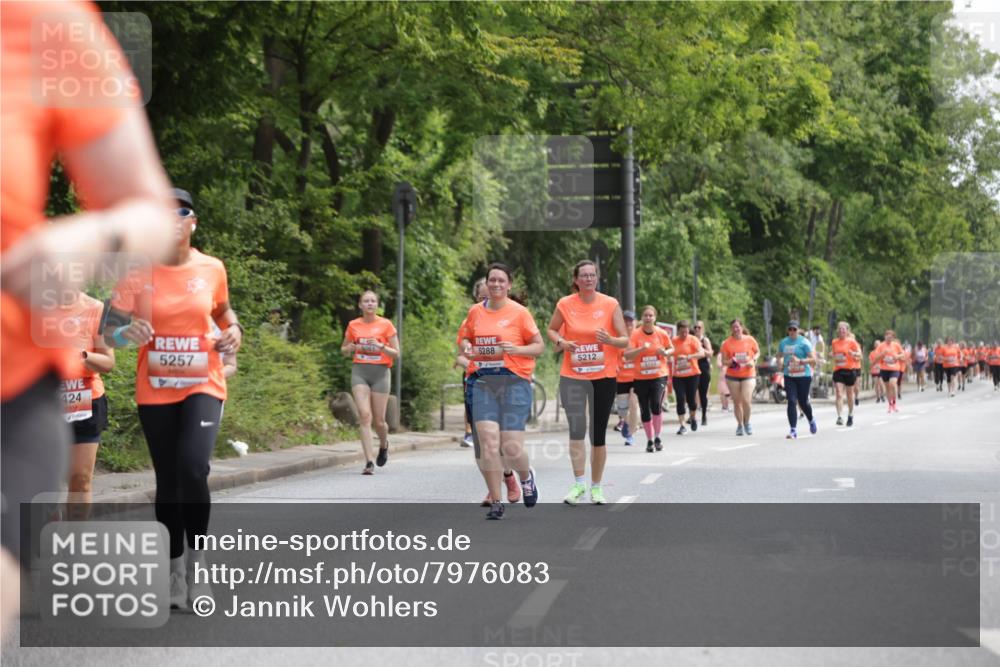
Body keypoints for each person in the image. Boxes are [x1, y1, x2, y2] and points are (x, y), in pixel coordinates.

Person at [1, 0, 176, 634]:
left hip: (12, 389)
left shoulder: (48, 23)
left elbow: (149, 212)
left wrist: (84, 239)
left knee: (82, 481)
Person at [107, 188, 243, 610]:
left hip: (204, 381)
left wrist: (234, 328)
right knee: (168, 480)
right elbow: (108, 328)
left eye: (179, 212)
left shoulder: (212, 267)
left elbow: (221, 311)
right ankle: (174, 572)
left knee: (193, 468)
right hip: (156, 385)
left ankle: (198, 569)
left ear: (192, 221)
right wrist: (123, 334)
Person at [459, 262, 541, 520]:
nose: (495, 284)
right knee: (489, 442)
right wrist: (467, 349)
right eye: (492, 280)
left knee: (512, 447)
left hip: (514, 381)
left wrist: (517, 350)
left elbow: (538, 346)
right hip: (482, 381)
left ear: (509, 284)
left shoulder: (520, 313)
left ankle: (526, 477)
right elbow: (464, 339)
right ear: (487, 282)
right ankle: (496, 501)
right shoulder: (475, 312)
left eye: (501, 280)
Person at [546, 260, 628, 506]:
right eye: (584, 275)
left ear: (597, 278)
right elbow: (551, 330)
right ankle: (578, 483)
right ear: (576, 280)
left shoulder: (610, 304)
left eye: (592, 275)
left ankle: (597, 487)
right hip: (573, 375)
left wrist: (610, 340)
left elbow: (625, 340)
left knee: (598, 434)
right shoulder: (565, 303)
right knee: (576, 429)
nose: (589, 279)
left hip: (603, 377)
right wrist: (562, 342)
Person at [456, 278, 521, 506]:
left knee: (499, 440)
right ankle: (493, 489)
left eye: (489, 295)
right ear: (477, 299)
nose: (487, 299)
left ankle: (507, 477)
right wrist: (466, 358)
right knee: (482, 445)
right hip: (477, 383)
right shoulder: (472, 318)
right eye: (482, 297)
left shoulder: (510, 316)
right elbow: (461, 352)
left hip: (503, 383)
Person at [63, 292, 115, 519]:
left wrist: (82, 355)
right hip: (42, 404)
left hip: (85, 399)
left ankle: (73, 544)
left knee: (81, 480)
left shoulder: (97, 309)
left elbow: (108, 362)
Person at [342, 291, 400, 474]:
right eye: (366, 301)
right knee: (364, 416)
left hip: (381, 373)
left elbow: (396, 353)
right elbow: (343, 349)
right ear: (360, 305)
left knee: (380, 421)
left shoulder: (386, 325)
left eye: (373, 301)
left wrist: (381, 346)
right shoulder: (353, 325)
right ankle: (368, 462)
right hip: (360, 372)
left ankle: (383, 444)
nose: (369, 304)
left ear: (377, 304)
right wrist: (349, 348)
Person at [624, 306, 673, 452]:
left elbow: (672, 349)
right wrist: (641, 349)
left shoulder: (661, 333)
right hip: (640, 377)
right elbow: (627, 355)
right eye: (645, 315)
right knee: (645, 409)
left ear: (655, 318)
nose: (648, 318)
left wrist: (664, 352)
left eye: (651, 315)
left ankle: (658, 437)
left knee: (656, 405)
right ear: (642, 318)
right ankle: (650, 440)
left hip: (659, 375)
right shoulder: (635, 335)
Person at [719, 318, 759, 436]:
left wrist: (753, 360)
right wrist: (729, 361)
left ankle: (747, 422)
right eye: (733, 327)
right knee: (737, 402)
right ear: (731, 329)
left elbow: (757, 352)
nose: (736, 329)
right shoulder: (726, 343)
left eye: (738, 326)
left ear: (741, 327)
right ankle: (740, 425)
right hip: (733, 376)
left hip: (748, 374)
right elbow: (724, 361)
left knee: (746, 400)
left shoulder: (750, 340)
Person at [778, 320, 817, 439]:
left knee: (803, 402)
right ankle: (793, 430)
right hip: (789, 375)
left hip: (803, 376)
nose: (792, 332)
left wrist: (800, 361)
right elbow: (779, 356)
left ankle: (811, 419)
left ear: (798, 330)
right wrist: (780, 363)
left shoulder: (804, 342)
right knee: (791, 400)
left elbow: (813, 360)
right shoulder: (784, 342)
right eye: (790, 329)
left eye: (794, 329)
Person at [670, 320, 705, 435]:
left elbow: (702, 353)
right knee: (680, 399)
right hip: (678, 375)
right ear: (678, 331)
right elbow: (667, 353)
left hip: (692, 374)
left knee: (691, 401)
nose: (684, 334)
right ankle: (682, 425)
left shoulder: (693, 339)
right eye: (682, 332)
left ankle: (693, 417)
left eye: (686, 332)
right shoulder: (673, 341)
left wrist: (688, 357)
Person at [613, 310, 639, 446]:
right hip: (621, 378)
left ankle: (631, 434)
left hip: (637, 377)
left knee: (634, 402)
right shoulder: (617, 338)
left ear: (635, 322)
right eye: (626, 321)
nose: (628, 324)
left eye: (631, 321)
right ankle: (628, 422)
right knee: (623, 410)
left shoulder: (640, 337)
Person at [830, 322, 862, 426]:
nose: (841, 331)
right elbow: (834, 354)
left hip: (849, 370)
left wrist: (854, 354)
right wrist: (833, 355)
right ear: (837, 331)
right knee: (839, 393)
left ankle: (850, 414)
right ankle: (839, 416)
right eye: (840, 329)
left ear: (847, 331)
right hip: (838, 370)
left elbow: (860, 355)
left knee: (849, 395)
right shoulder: (834, 342)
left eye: (843, 329)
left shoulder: (852, 342)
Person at [873, 330, 905, 413]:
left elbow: (903, 354)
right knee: (887, 387)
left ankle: (894, 403)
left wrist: (897, 356)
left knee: (893, 384)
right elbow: (876, 358)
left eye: (891, 337)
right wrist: (882, 354)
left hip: (895, 368)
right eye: (887, 336)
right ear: (885, 336)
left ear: (893, 338)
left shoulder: (896, 345)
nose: (889, 338)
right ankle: (890, 405)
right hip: (884, 369)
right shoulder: (881, 346)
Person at [694, 320, 714, 427]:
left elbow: (710, 354)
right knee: (691, 393)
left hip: (703, 367)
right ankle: (692, 415)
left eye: (699, 327)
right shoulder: (691, 339)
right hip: (692, 367)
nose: (697, 329)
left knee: (702, 394)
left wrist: (701, 349)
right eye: (695, 327)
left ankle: (704, 415)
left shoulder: (704, 340)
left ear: (702, 329)